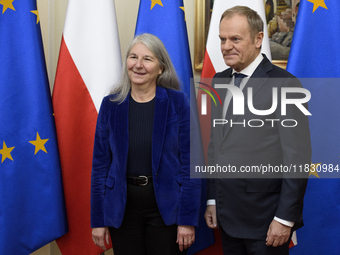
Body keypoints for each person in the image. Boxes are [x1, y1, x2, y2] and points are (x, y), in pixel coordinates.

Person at [204, 6, 311, 255]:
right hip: (228, 217)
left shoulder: (285, 84)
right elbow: (216, 145)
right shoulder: (219, 81)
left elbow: (297, 158)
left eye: (235, 39)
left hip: (267, 220)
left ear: (258, 39)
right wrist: (212, 199)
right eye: (222, 39)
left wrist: (285, 219)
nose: (226, 46)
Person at [90, 33, 201, 255]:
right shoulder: (111, 105)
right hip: (123, 211)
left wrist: (187, 220)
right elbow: (100, 167)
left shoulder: (177, 103)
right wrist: (98, 220)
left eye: (147, 59)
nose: (138, 65)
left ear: (161, 68)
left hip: (167, 210)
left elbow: (192, 166)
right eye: (133, 57)